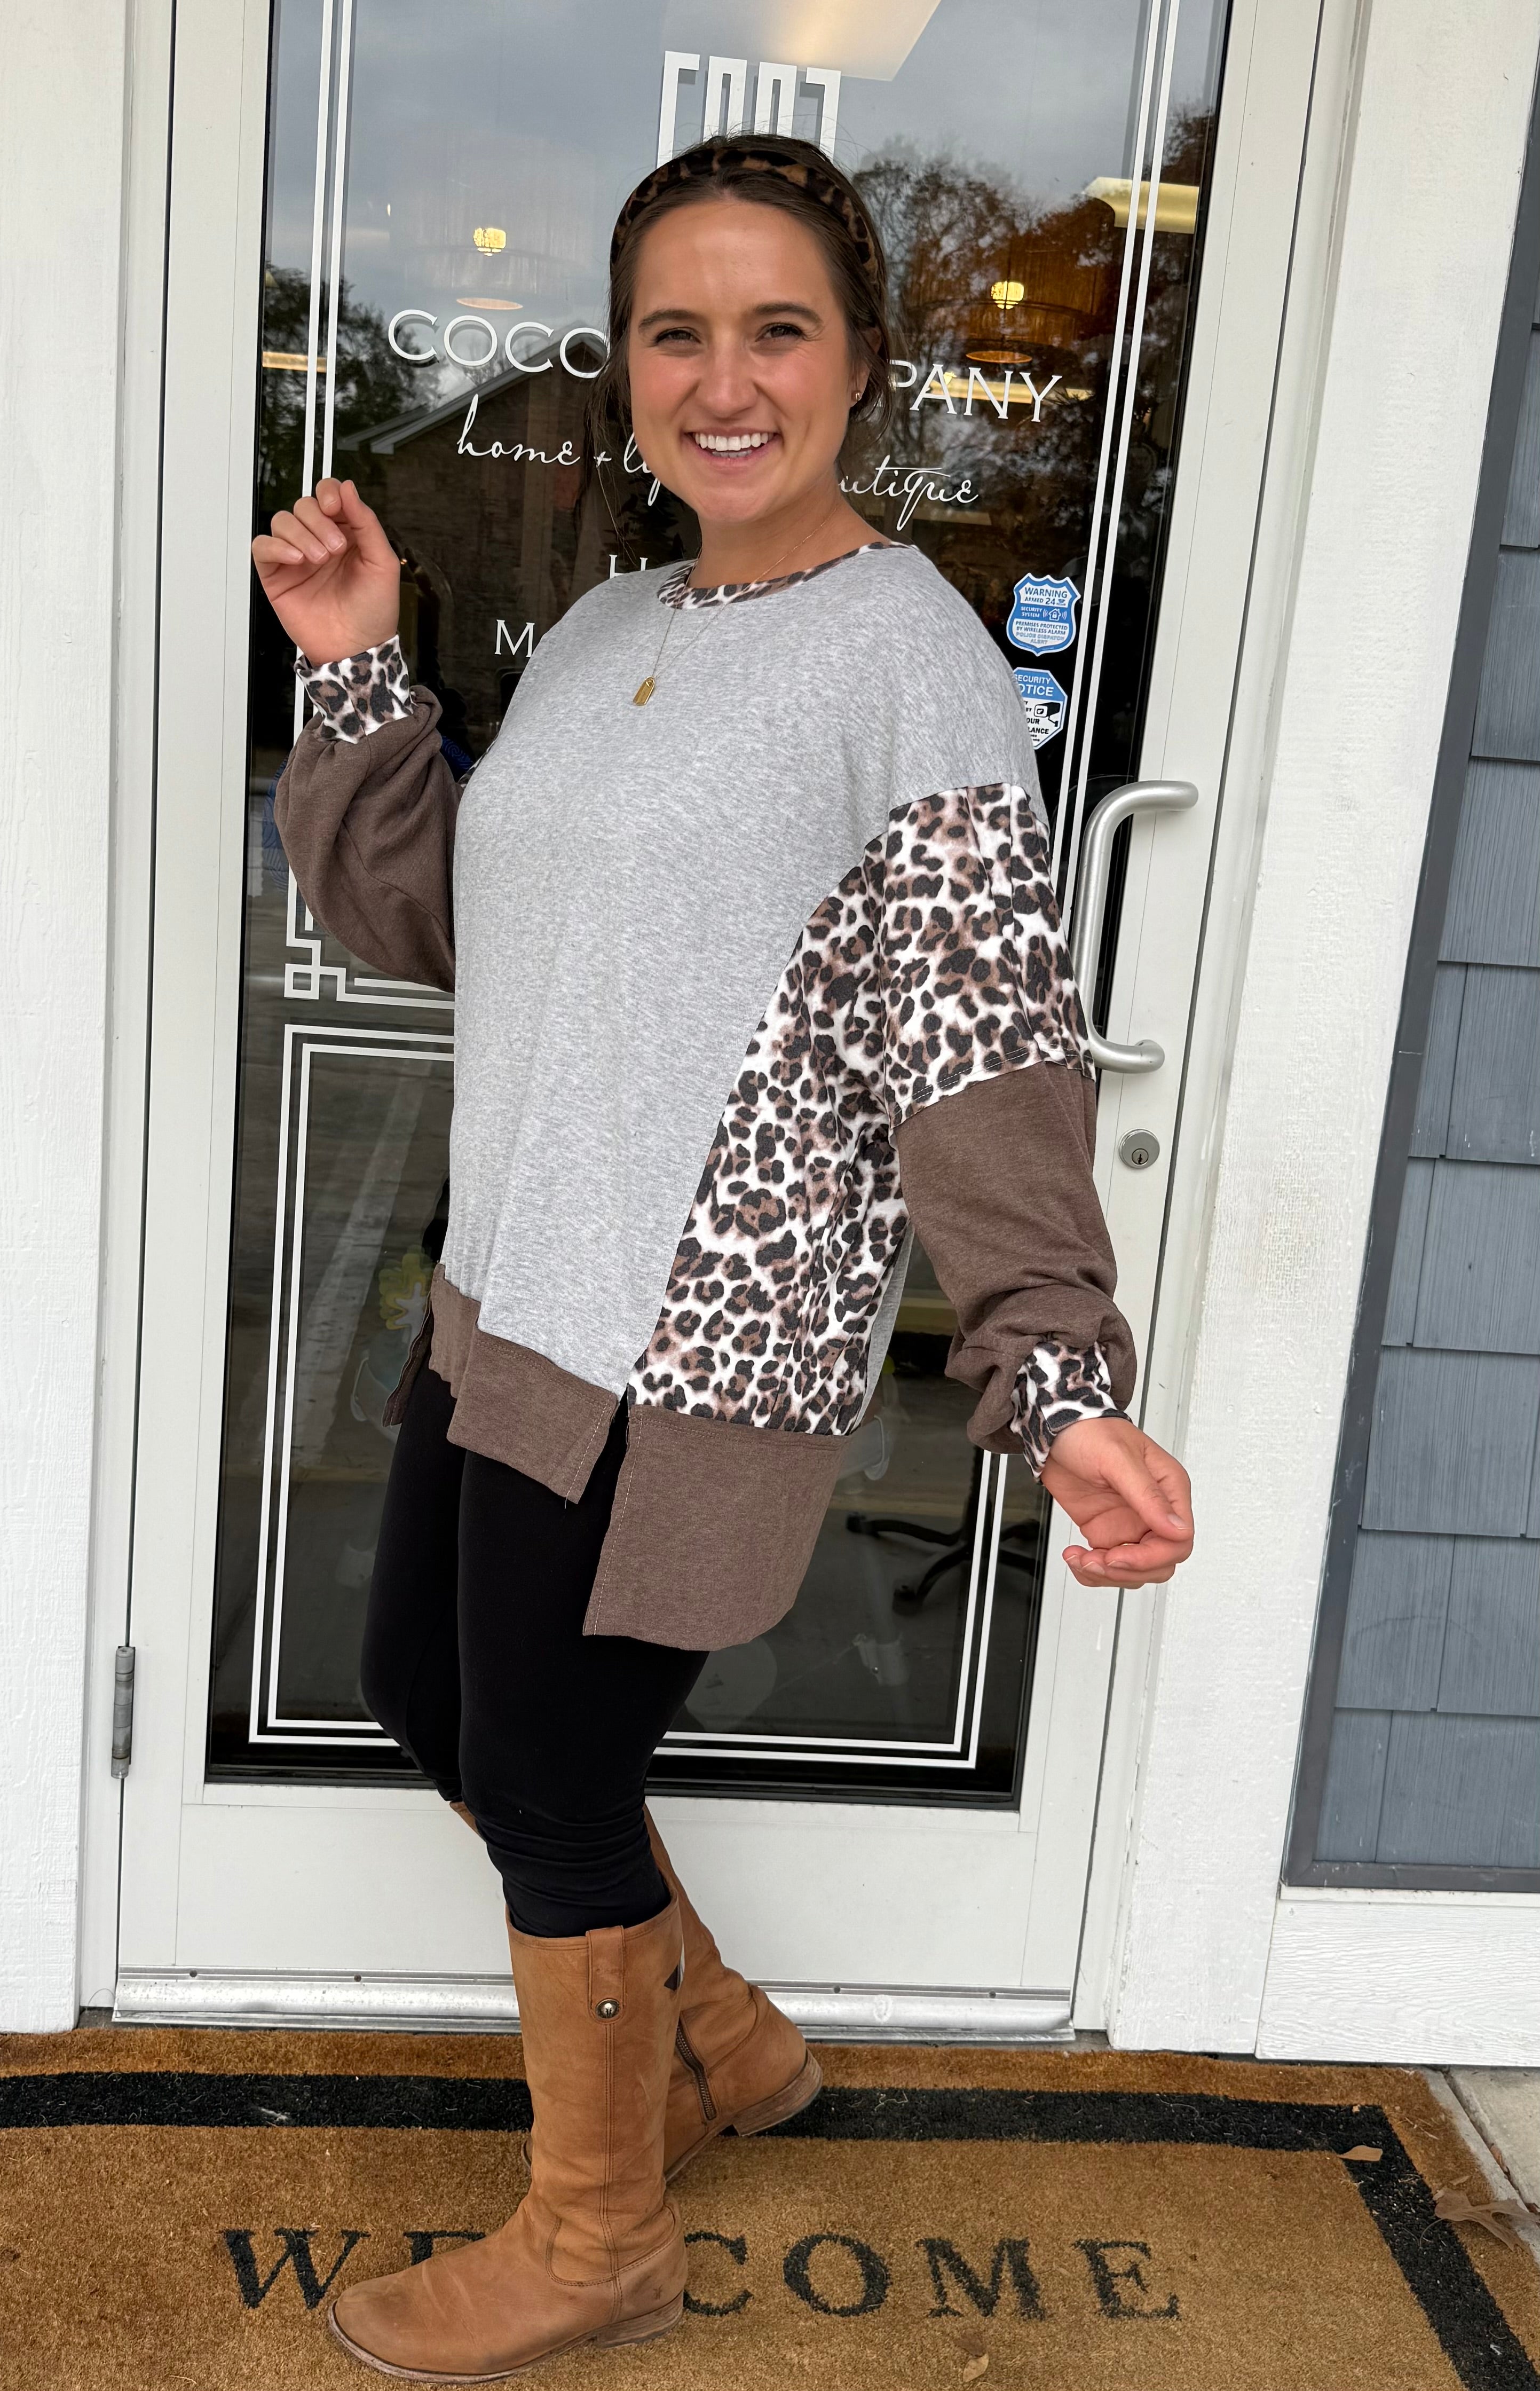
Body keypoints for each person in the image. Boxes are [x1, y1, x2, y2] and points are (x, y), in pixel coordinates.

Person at [255, 132, 1195, 2385]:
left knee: (549, 1774)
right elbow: (452, 927)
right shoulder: (613, 626)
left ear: (864, 361)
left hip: (694, 1334)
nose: (726, 378)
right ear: (627, 364)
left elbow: (980, 1041)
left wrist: (1060, 1375)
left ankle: (601, 2233)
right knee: (432, 1699)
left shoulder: (912, 664)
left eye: (779, 327)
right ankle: (731, 2041)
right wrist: (360, 667)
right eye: (677, 331)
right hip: (513, 1292)